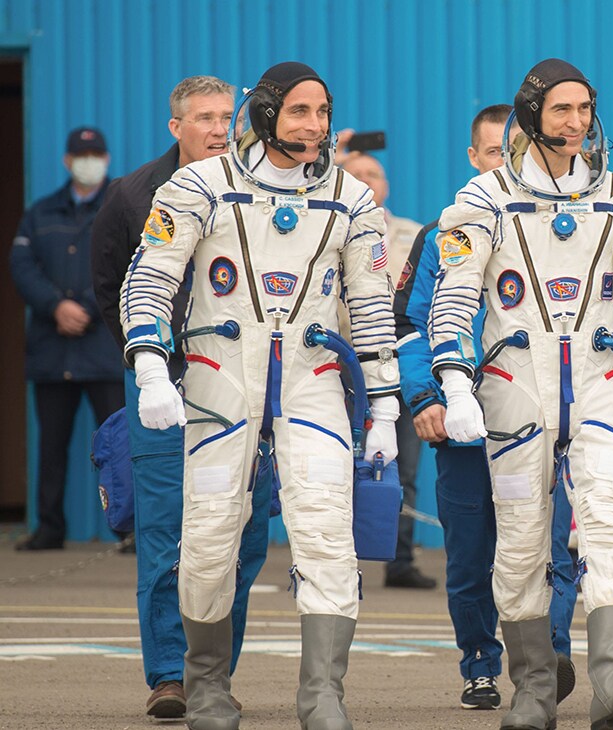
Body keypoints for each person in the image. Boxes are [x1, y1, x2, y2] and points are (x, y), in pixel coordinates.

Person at [119, 61, 400, 730]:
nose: (314, 125)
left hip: (313, 385)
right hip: (220, 383)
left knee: (328, 532)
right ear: (267, 113)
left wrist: (385, 405)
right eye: (299, 111)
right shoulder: (198, 187)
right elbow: (149, 280)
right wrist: (152, 369)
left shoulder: (351, 199)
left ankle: (323, 693)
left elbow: (371, 308)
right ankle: (207, 685)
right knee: (210, 535)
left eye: (322, 112)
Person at [433, 59, 613, 730]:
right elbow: (454, 301)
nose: (575, 123)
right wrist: (456, 384)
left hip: (602, 387)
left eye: (583, 110)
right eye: (560, 111)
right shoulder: (480, 200)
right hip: (515, 393)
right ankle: (534, 690)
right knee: (520, 545)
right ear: (530, 117)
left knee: (611, 530)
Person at [90, 75, 271, 720]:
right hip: (165, 393)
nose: (220, 128)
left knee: (244, 538)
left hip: (246, 391)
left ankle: (214, 674)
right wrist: (152, 368)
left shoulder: (262, 189)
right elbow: (113, 281)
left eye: (227, 116)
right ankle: (170, 675)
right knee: (168, 536)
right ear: (176, 126)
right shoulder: (135, 194)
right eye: (204, 117)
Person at [393, 103, 580, 711]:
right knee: (472, 557)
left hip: (539, 425)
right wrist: (425, 397)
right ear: (475, 159)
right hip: (464, 430)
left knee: (549, 547)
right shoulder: (441, 234)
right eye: (497, 151)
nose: (510, 159)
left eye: (519, 147)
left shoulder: (571, 227)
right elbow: (414, 326)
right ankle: (479, 663)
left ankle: (549, 653)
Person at [11, 126, 124, 551]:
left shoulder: (118, 207)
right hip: (51, 349)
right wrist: (56, 306)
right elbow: (22, 266)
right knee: (52, 445)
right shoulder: (41, 213)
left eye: (97, 152)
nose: (89, 160)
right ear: (67, 160)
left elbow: (129, 265)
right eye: (82, 153)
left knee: (117, 443)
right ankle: (50, 528)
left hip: (102, 350)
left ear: (107, 159)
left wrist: (90, 310)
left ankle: (128, 530)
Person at [335, 142, 439, 590]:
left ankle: (399, 559)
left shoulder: (412, 234)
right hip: (338, 368)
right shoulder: (325, 230)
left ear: (386, 185)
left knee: (402, 468)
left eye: (373, 175)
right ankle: (335, 558)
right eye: (354, 174)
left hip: (398, 370)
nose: (365, 182)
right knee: (334, 465)